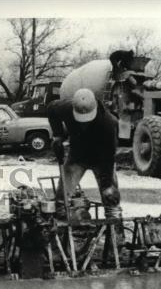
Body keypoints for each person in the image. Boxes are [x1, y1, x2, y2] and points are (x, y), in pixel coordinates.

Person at [47, 88, 121, 219]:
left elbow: (109, 158)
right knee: (62, 198)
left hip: (102, 160)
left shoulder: (109, 123)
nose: (84, 123)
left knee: (111, 198)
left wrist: (107, 184)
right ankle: (62, 232)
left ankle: (115, 233)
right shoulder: (65, 108)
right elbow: (51, 109)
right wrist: (58, 135)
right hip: (77, 156)